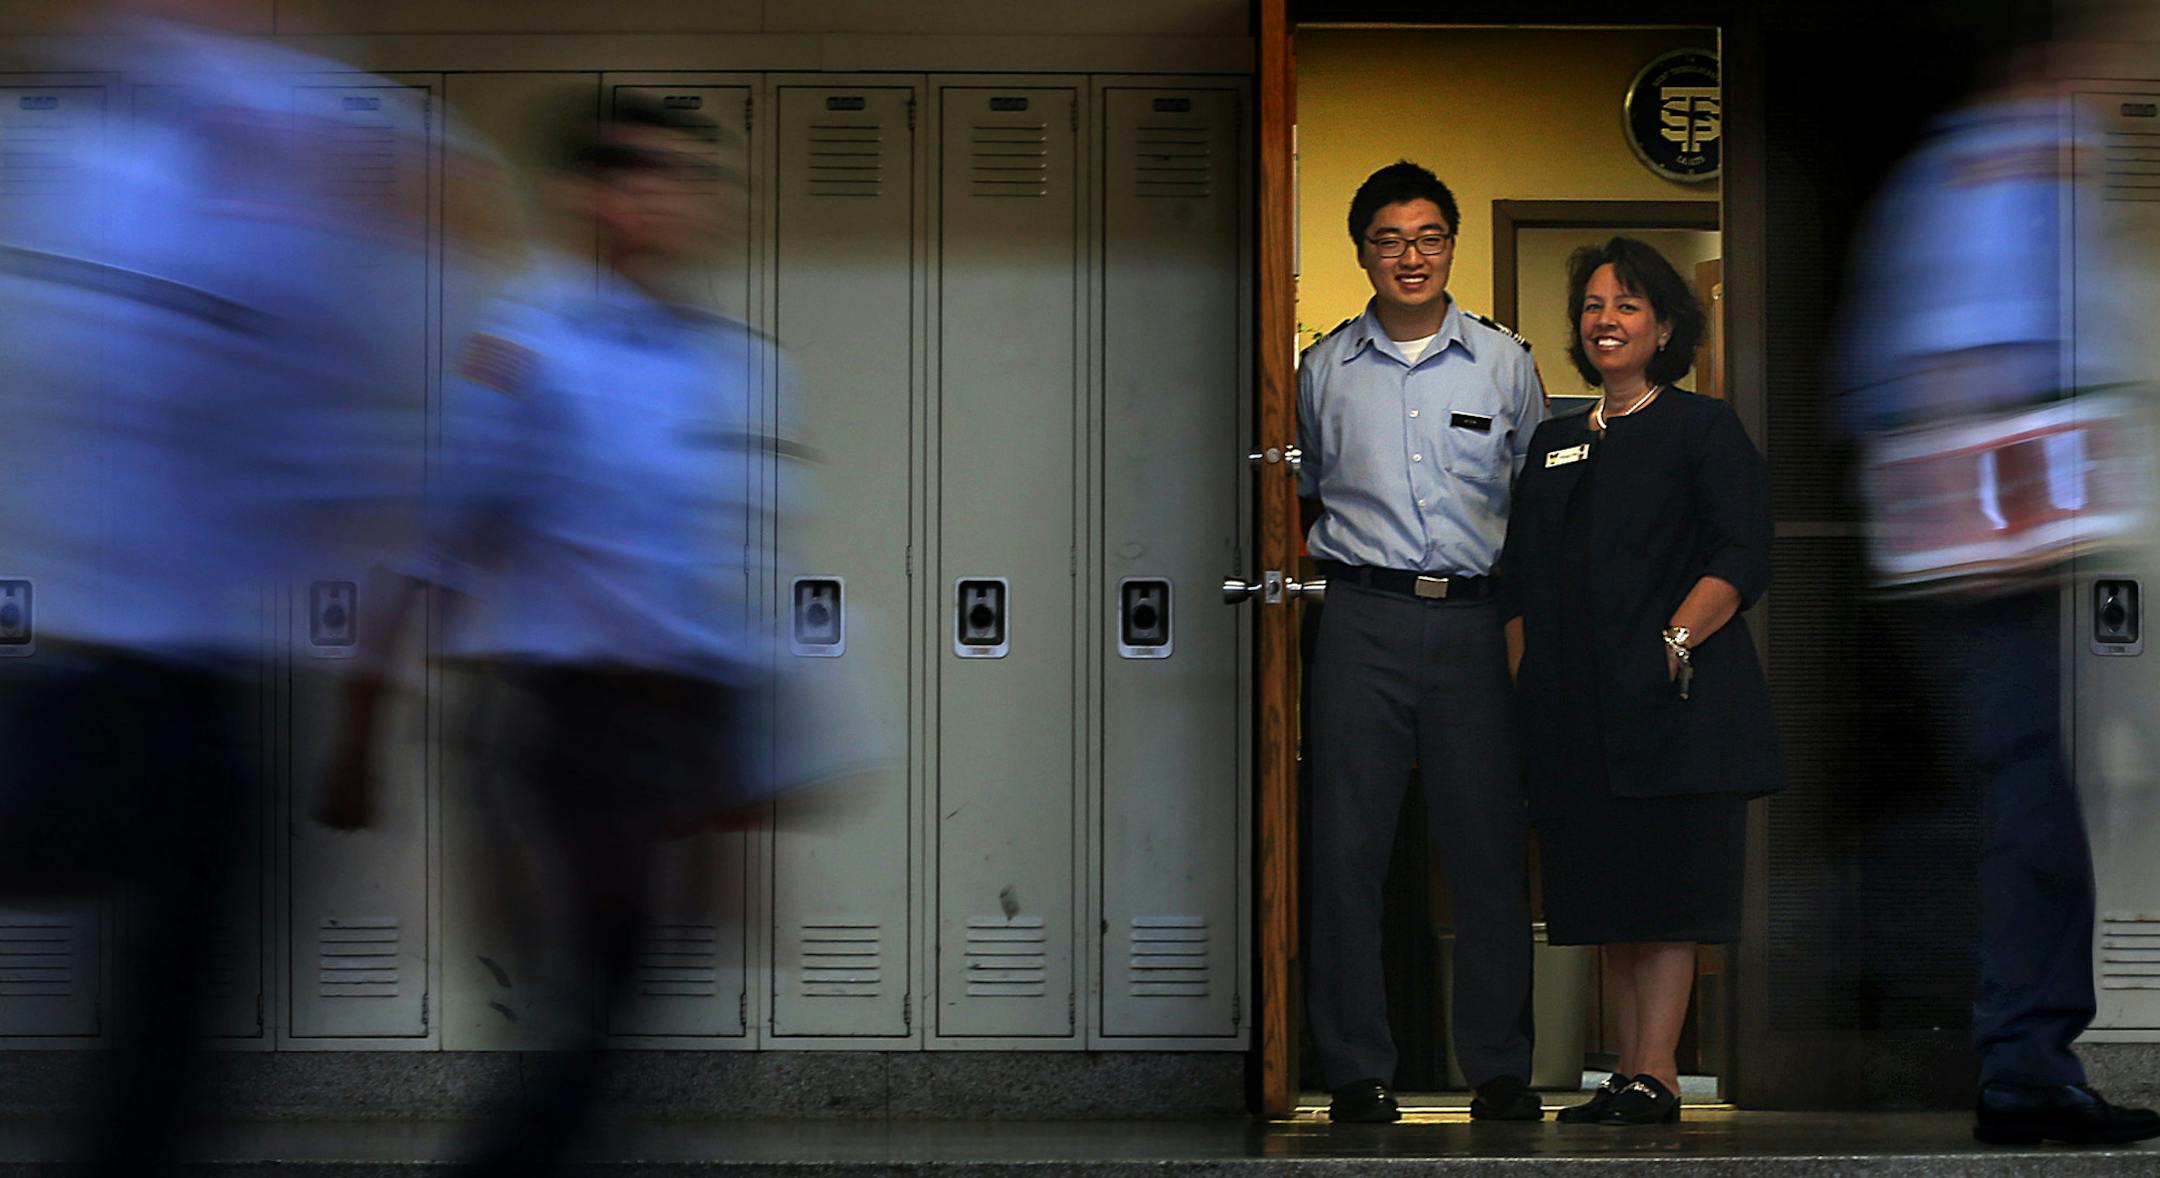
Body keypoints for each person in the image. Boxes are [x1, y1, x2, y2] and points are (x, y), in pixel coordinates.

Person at [315, 93, 787, 1175]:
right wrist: (358, 724)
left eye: (690, 175)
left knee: (616, 1009)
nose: (679, 200)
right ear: (591, 196)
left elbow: (719, 579)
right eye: (650, 174)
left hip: (676, 724)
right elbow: (437, 542)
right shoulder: (531, 348)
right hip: (557, 722)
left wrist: (743, 765)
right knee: (588, 1008)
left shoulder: (722, 366)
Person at [1839, 25, 2160, 1146]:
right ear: (2036, 68)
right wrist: (2008, 528)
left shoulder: (1974, 168)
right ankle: (2021, 1064)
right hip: (1990, 542)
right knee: (2021, 808)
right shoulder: (1998, 169)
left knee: (2021, 797)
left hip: (1996, 538)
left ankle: (2022, 1053)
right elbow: (1959, 365)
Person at [1497, 237, 1780, 1126]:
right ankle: (1627, 1073)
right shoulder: (1552, 442)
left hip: (1677, 703)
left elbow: (1742, 553)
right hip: (1576, 711)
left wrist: (1673, 641)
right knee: (1611, 898)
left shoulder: (1702, 426)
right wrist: (1527, 677)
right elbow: (1523, 576)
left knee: (1666, 893)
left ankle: (1655, 1074)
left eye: (1626, 305)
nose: (1605, 320)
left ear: (1663, 326)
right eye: (1592, 305)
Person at [1296, 161, 1546, 1124]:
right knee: (1348, 850)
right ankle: (1356, 1069)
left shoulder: (1501, 363)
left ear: (1451, 246)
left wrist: (1525, 630)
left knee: (1486, 847)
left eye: (1430, 237)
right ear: (1362, 251)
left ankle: (1499, 1069)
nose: (1412, 255)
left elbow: (1534, 504)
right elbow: (1305, 487)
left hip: (1478, 623)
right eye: (1391, 239)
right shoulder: (1324, 371)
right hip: (1360, 619)